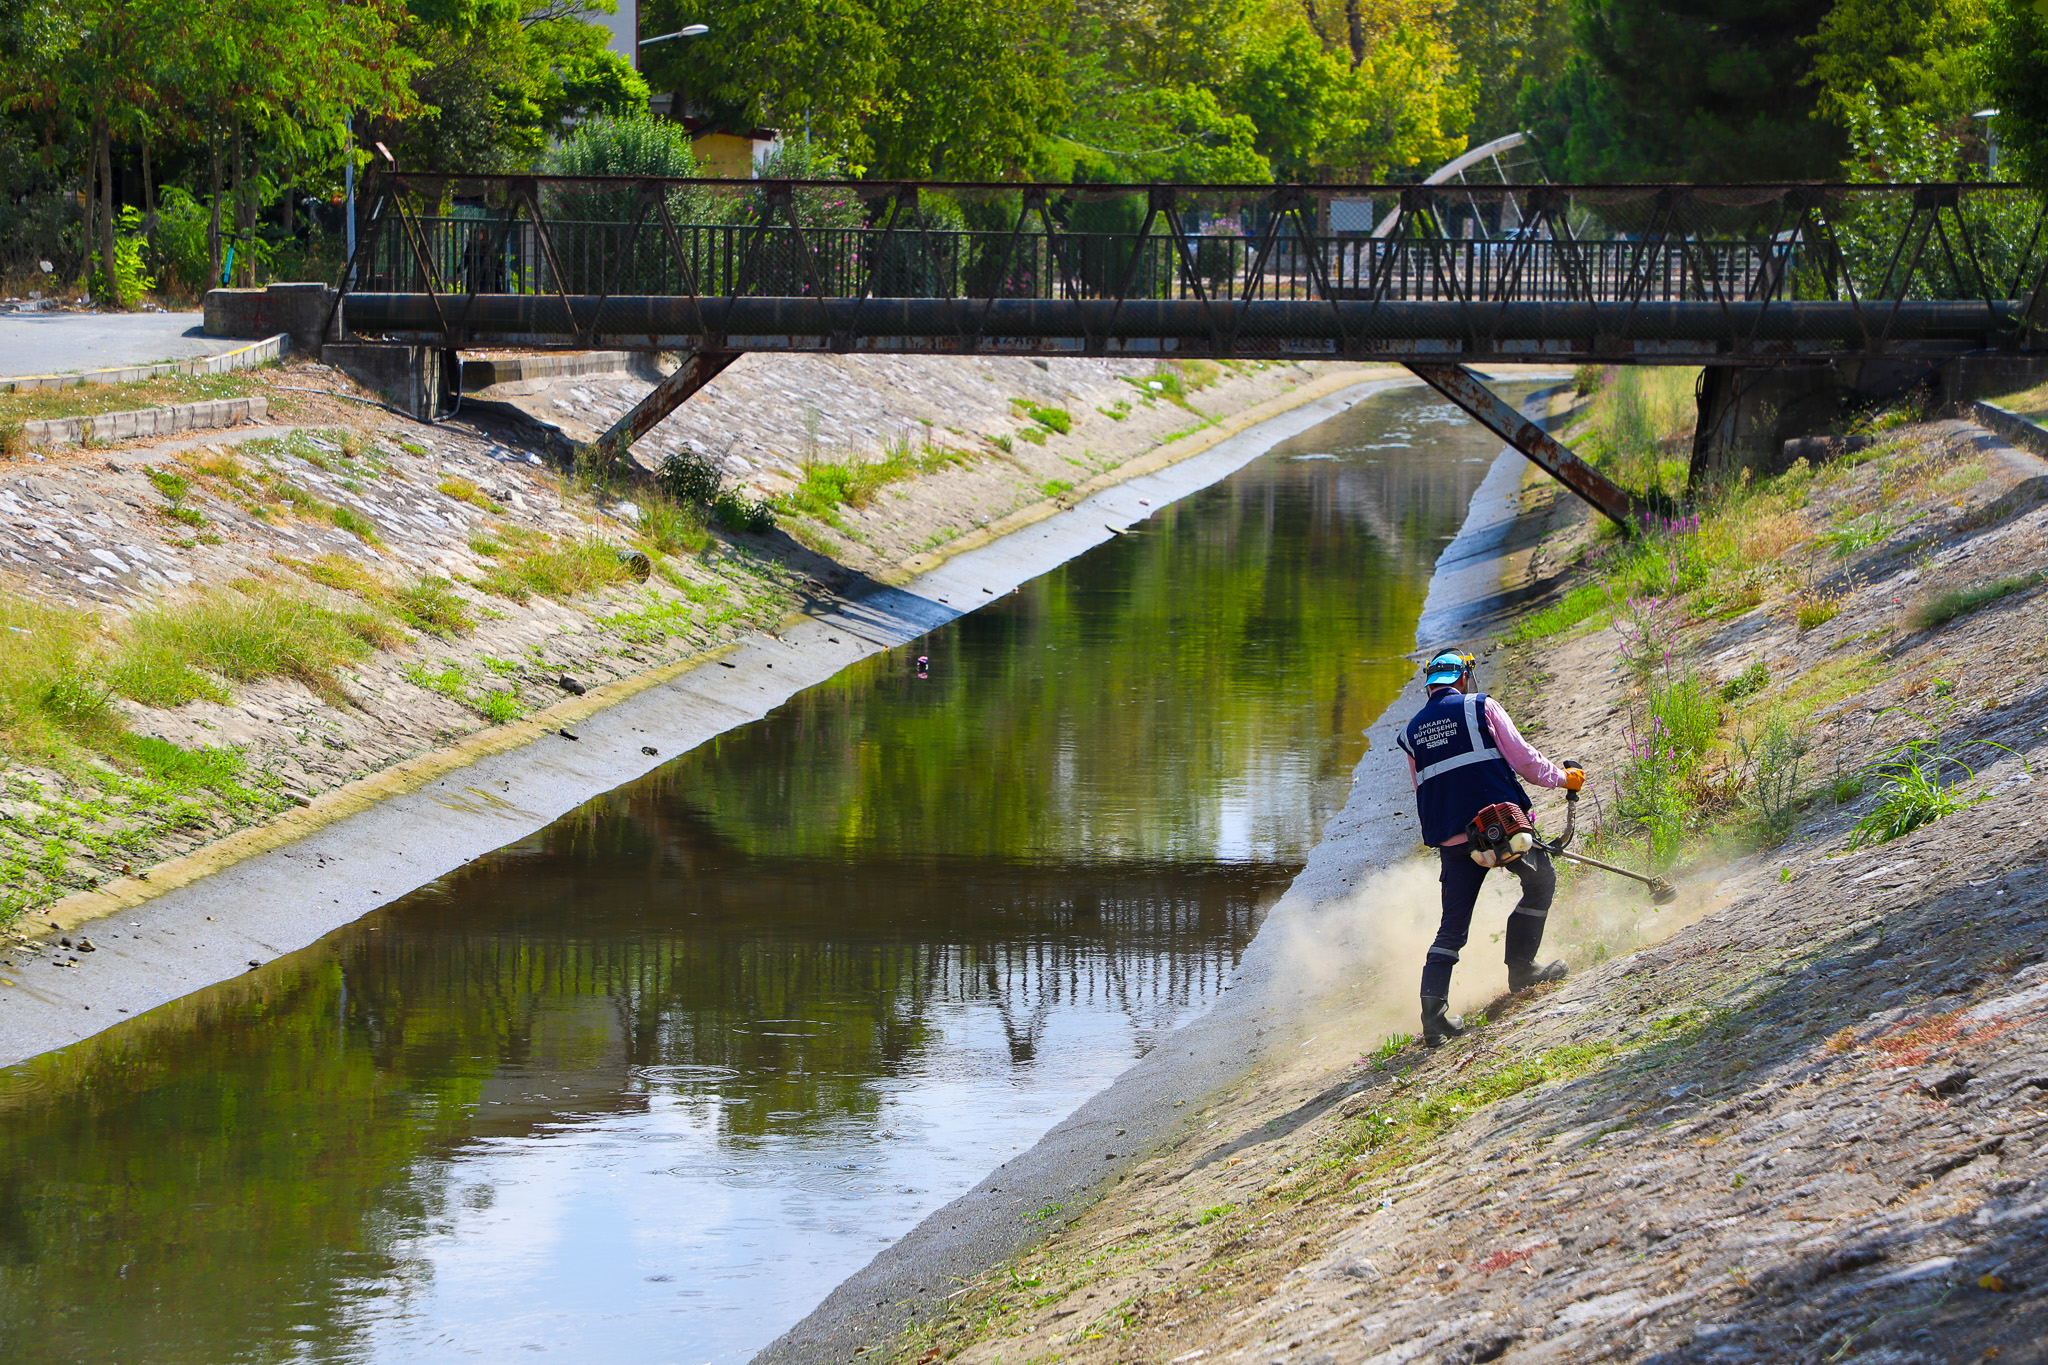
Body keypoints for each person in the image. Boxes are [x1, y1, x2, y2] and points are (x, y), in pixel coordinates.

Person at [1395, 649, 1585, 1046]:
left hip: (1454, 839)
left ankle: (1434, 1017)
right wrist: (1565, 779)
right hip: (1503, 825)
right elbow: (1526, 762)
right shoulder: (1481, 706)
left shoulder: (1411, 733)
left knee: (1452, 925)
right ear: (1463, 677)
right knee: (1540, 882)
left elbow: (1422, 789)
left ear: (1430, 683)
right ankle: (1521, 968)